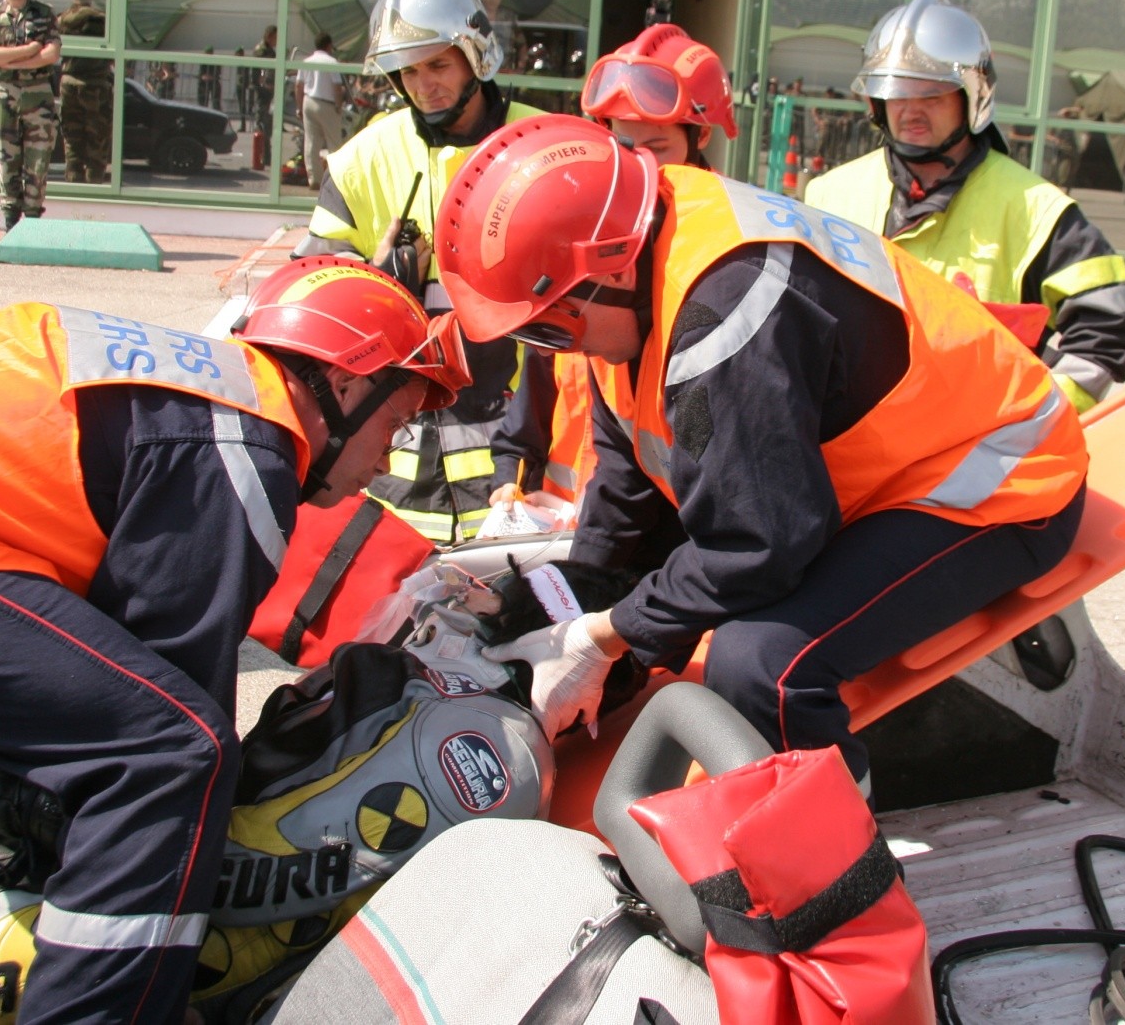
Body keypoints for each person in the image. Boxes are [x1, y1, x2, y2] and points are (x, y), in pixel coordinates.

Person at [0, 259, 470, 1025]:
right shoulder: (247, 451)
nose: (385, 462)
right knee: (172, 755)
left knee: (123, 730)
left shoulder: (201, 390)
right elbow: (175, 698)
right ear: (345, 383)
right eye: (395, 425)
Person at [433, 116, 1089, 782]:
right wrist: (575, 607)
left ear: (608, 270)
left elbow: (762, 546)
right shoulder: (633, 245)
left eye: (549, 330)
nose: (555, 350)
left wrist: (601, 637)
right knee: (670, 606)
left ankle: (834, 868)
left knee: (765, 666)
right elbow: (627, 486)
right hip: (885, 463)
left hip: (996, 476)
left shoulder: (727, 313)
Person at [293, 0, 549, 543]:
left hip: (517, 458)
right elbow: (305, 304)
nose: (423, 84)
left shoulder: (544, 145)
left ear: (476, 57)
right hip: (393, 462)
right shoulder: (364, 159)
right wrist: (372, 285)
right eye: (408, 70)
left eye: (438, 64)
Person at [805, 0, 1125, 413]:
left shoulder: (1035, 210)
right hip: (847, 451)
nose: (911, 111)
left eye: (931, 95)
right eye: (896, 93)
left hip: (973, 463)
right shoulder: (828, 194)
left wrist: (1033, 420)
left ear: (972, 97)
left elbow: (1110, 329)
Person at [488, 24, 737, 508]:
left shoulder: (723, 264)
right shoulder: (582, 235)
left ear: (701, 134)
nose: (641, 165)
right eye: (625, 145)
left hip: (655, 539)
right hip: (571, 532)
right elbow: (534, 392)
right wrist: (511, 476)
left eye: (657, 147)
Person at [0, 0, 60, 230]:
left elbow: (51, 54)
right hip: (4, 96)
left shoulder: (44, 13)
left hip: (38, 98)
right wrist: (27, 51)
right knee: (6, 161)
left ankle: (33, 227)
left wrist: (10, 61)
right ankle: (10, 228)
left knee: (37, 165)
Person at [54, 0, 111, 185]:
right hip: (95, 85)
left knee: (72, 141)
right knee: (97, 143)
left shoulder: (60, 20)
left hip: (68, 84)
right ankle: (93, 187)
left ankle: (73, 186)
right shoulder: (100, 19)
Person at [295, 31, 345, 188]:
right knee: (334, 144)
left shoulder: (306, 61)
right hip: (327, 103)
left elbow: (298, 85)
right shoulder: (332, 62)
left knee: (311, 143)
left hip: (308, 101)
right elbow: (337, 86)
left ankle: (314, 179)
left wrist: (299, 106)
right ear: (329, 45)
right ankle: (334, 181)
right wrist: (338, 105)